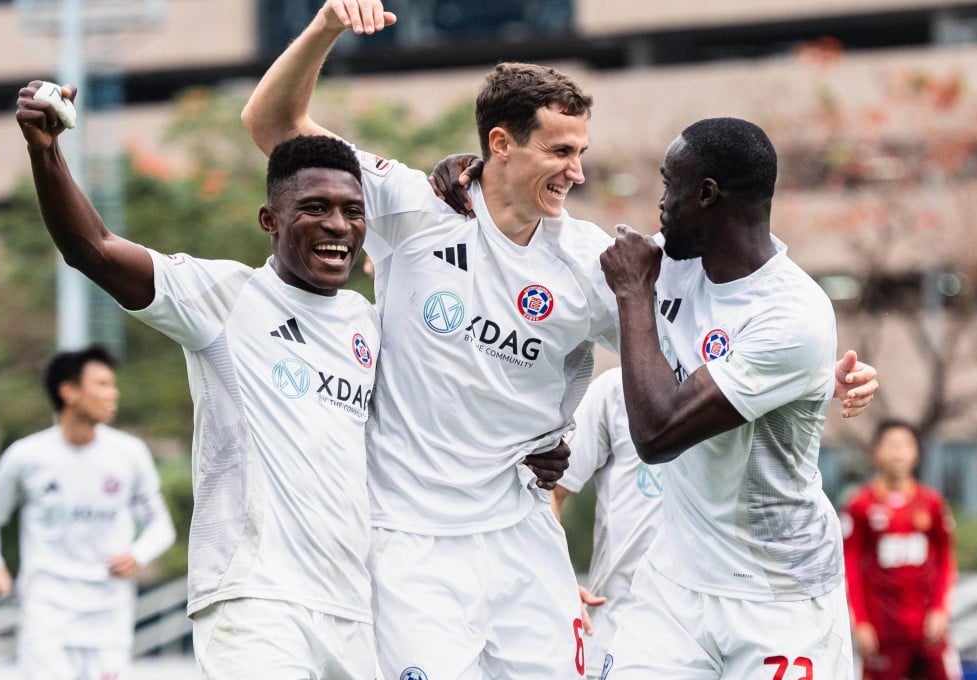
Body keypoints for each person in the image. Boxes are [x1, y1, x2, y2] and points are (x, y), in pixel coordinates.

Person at [242, 5, 879, 677]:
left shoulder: (590, 263)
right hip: (410, 541)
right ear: (500, 144)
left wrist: (822, 379)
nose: (576, 172)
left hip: (524, 533)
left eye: (580, 152)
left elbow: (691, 349)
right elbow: (273, 126)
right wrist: (325, 27)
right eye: (560, 151)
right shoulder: (416, 206)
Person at [13, 81, 381, 678]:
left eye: (352, 211)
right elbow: (95, 249)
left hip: (356, 607)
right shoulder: (225, 297)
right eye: (315, 208)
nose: (338, 224)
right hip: (254, 602)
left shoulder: (370, 324)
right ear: (271, 219)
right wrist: (45, 151)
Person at [598, 117, 855, 678]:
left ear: (706, 194)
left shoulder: (792, 314)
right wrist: (471, 189)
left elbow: (658, 433)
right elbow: (544, 261)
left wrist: (633, 296)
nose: (659, 203)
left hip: (777, 596)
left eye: (669, 184)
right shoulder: (666, 267)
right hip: (674, 586)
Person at [554, 357, 877, 680]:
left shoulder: (757, 378)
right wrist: (559, 579)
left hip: (746, 618)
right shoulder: (616, 389)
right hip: (628, 622)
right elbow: (552, 491)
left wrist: (815, 377)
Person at [0, 346, 175, 680]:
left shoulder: (130, 454)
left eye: (112, 384)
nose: (113, 394)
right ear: (69, 392)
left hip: (108, 613)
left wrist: (137, 555)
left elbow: (161, 527)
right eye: (102, 384)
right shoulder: (27, 456)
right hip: (47, 610)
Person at [841, 419, 961, 680]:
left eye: (905, 445)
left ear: (917, 453)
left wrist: (940, 609)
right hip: (883, 633)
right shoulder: (860, 506)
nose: (898, 452)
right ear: (875, 453)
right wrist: (860, 622)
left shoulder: (932, 504)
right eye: (890, 445)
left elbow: (945, 560)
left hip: (929, 629)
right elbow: (849, 566)